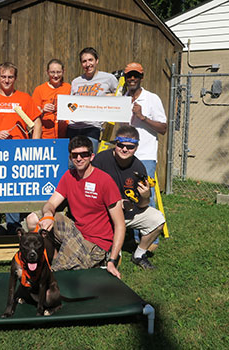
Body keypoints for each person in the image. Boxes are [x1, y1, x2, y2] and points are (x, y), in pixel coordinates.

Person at [26, 136, 125, 279]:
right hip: (76, 231)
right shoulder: (69, 176)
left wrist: (112, 261)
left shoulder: (105, 181)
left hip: (95, 244)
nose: (79, 158)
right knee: (34, 219)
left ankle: (74, 262)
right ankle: (54, 259)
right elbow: (50, 204)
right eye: (75, 155)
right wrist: (48, 215)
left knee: (57, 276)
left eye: (84, 154)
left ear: (91, 157)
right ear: (70, 157)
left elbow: (120, 225)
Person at [0, 62, 42, 236]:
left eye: (10, 77)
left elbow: (37, 123)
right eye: (3, 77)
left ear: (15, 78)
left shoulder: (24, 98)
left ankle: (13, 230)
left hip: (18, 154)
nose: (7, 80)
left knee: (14, 191)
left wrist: (35, 145)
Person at [92, 125, 165, 270]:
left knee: (158, 219)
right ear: (116, 144)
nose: (125, 149)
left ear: (136, 147)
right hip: (102, 214)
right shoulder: (101, 160)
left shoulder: (138, 167)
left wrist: (145, 196)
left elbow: (143, 205)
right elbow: (89, 191)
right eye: (121, 145)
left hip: (126, 213)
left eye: (130, 147)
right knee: (112, 262)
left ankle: (139, 254)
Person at [124, 62, 167, 250]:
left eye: (135, 75)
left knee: (145, 195)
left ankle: (151, 240)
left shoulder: (152, 98)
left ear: (141, 77)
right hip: (125, 155)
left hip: (145, 155)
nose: (132, 79)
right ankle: (134, 237)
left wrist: (142, 117)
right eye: (129, 76)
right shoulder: (121, 98)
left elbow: (163, 128)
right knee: (128, 195)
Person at [68, 47, 118, 152]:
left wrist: (111, 97)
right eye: (84, 61)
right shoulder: (76, 82)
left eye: (90, 60)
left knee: (89, 159)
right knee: (72, 163)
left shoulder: (108, 78)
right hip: (73, 127)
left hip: (92, 127)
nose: (87, 64)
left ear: (97, 61)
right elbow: (71, 105)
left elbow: (121, 96)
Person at [32, 58, 71, 139]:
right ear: (47, 72)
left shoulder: (69, 88)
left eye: (58, 72)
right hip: (45, 135)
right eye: (52, 72)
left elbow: (75, 107)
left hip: (65, 135)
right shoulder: (39, 90)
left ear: (63, 72)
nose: (56, 76)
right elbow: (33, 115)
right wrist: (43, 110)